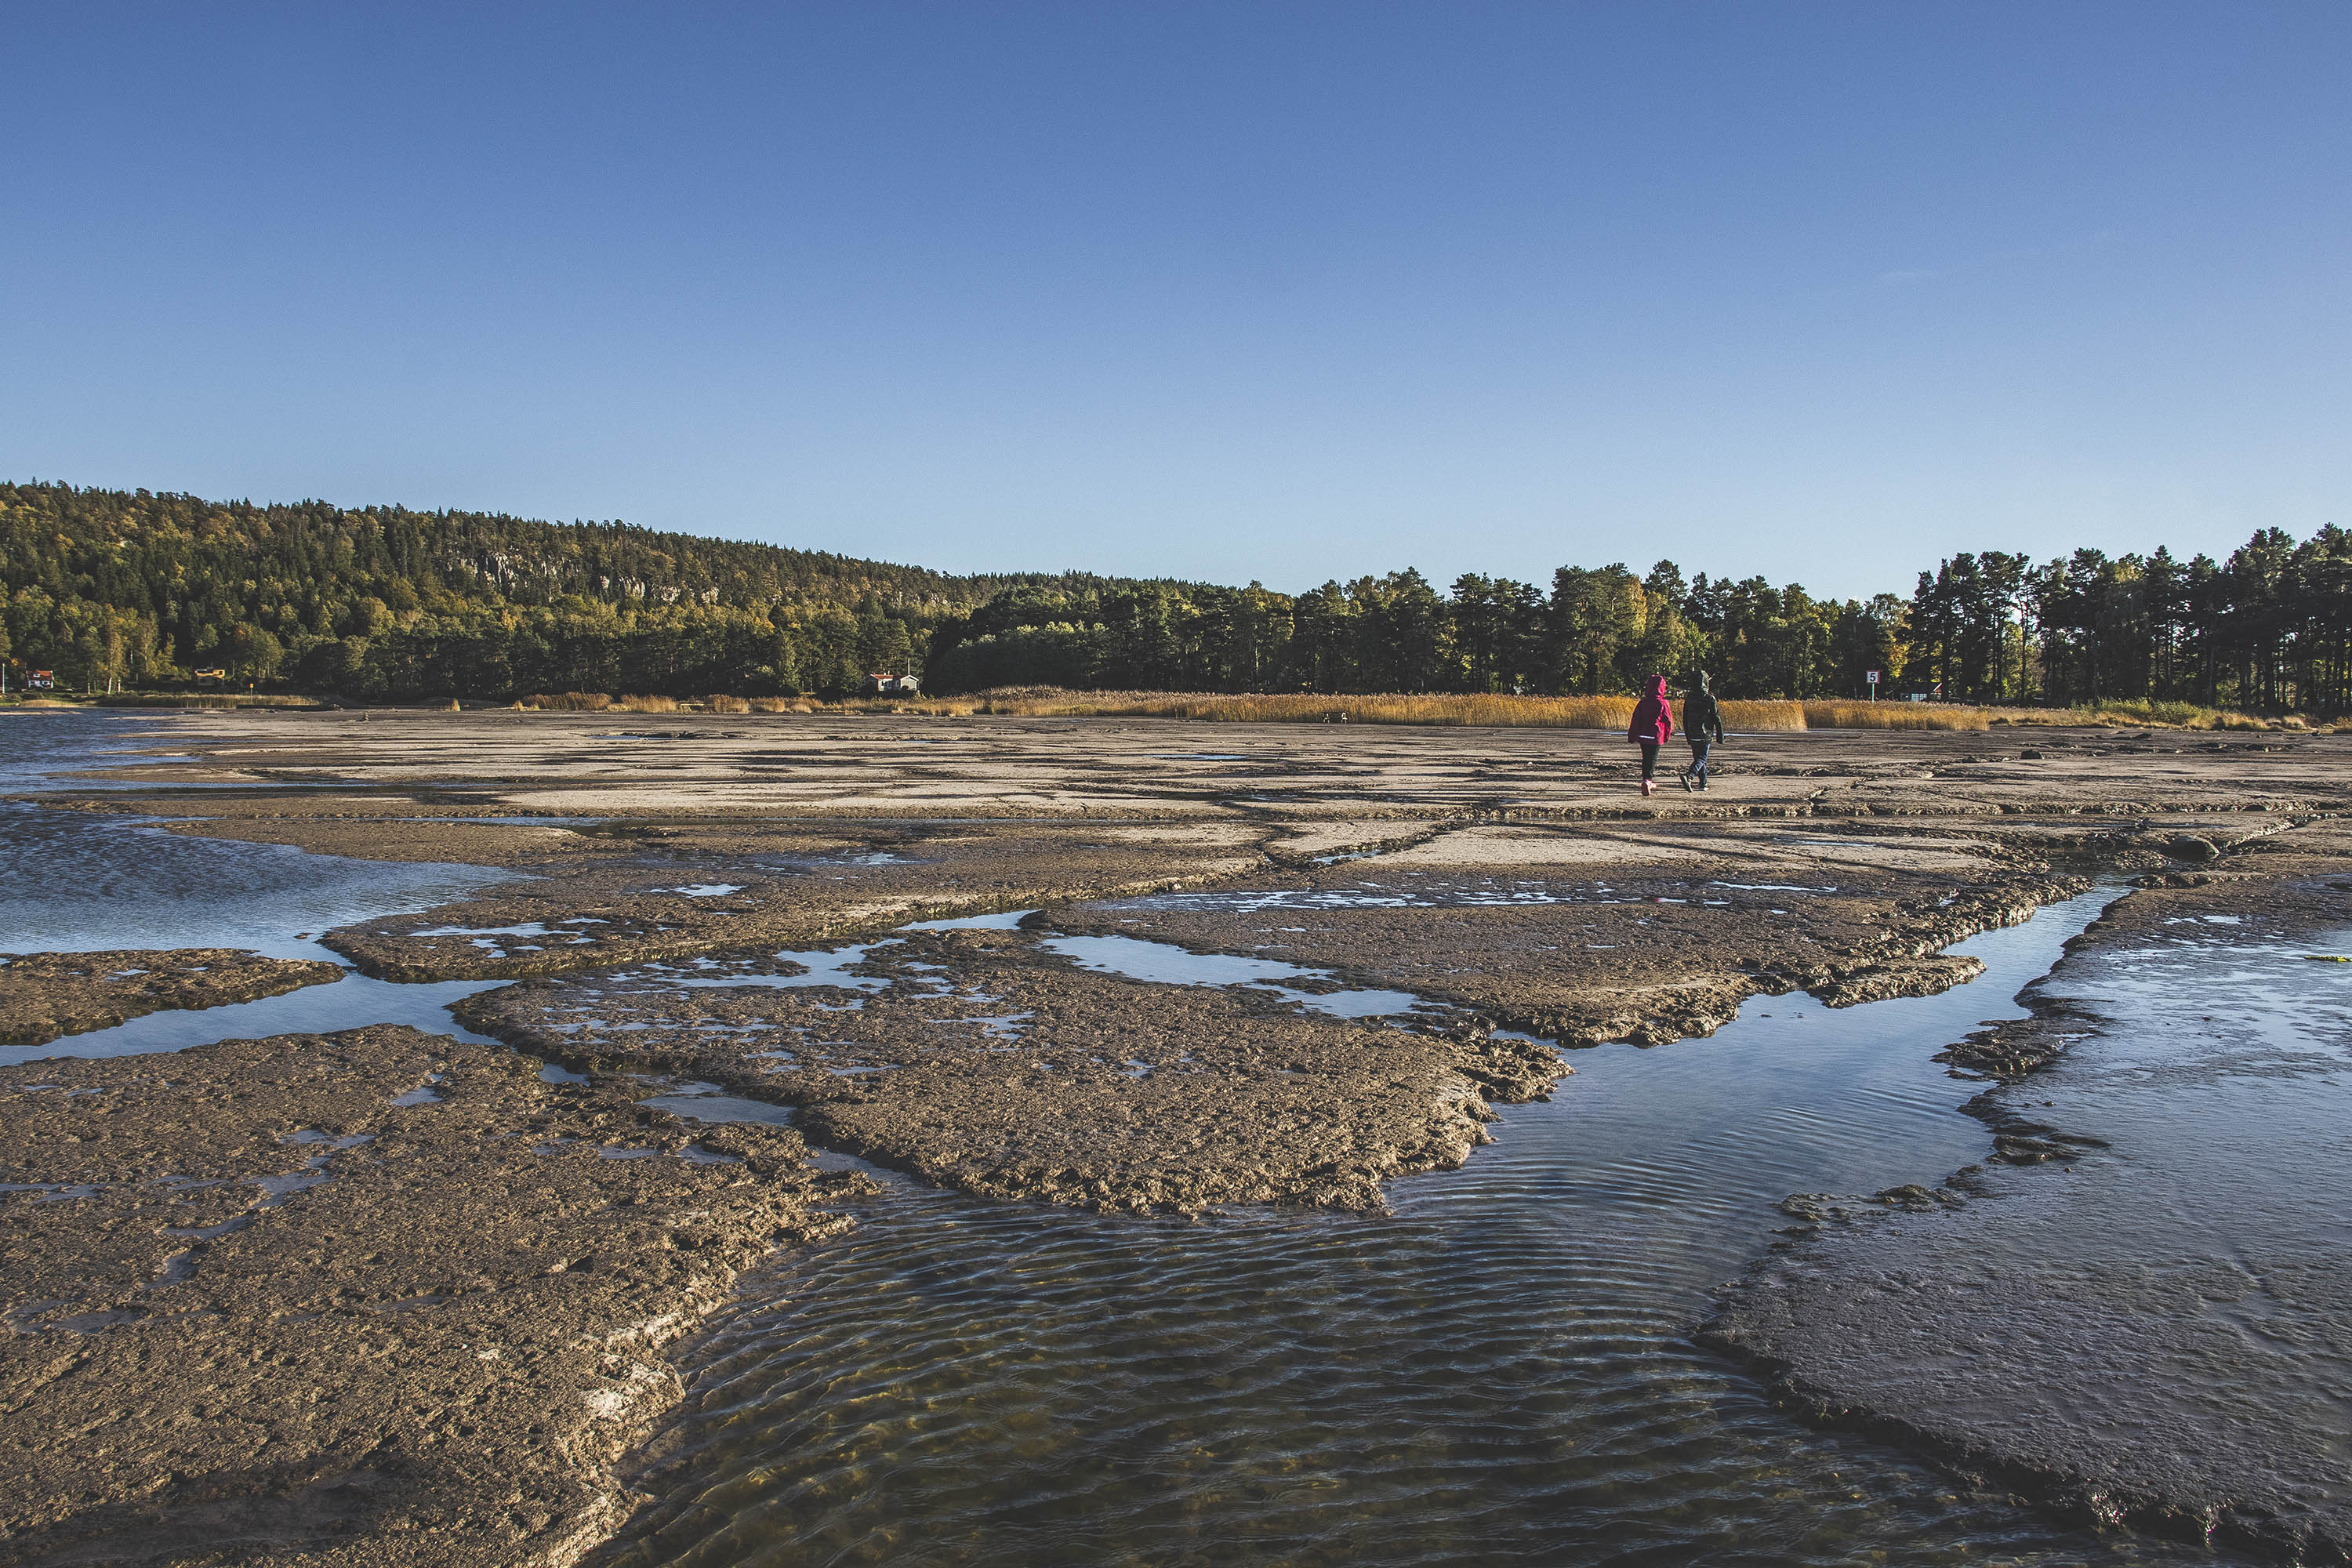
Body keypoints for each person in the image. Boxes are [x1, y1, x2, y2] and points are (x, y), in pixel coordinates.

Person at [1627, 673, 1674, 797]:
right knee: (1652, 758)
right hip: (1656, 735)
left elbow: (1635, 720)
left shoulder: (1643, 702)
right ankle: (1648, 781)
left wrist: (1632, 735)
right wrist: (1667, 735)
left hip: (1643, 735)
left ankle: (1646, 780)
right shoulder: (1663, 703)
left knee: (1646, 758)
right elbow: (1668, 721)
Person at [1679, 669, 1724, 791]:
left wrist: (1687, 734)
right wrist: (1720, 734)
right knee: (1702, 758)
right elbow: (1716, 717)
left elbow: (1685, 718)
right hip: (1705, 734)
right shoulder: (1710, 698)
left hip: (1692, 733)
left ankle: (1703, 784)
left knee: (1699, 758)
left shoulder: (1689, 699)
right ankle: (1689, 776)